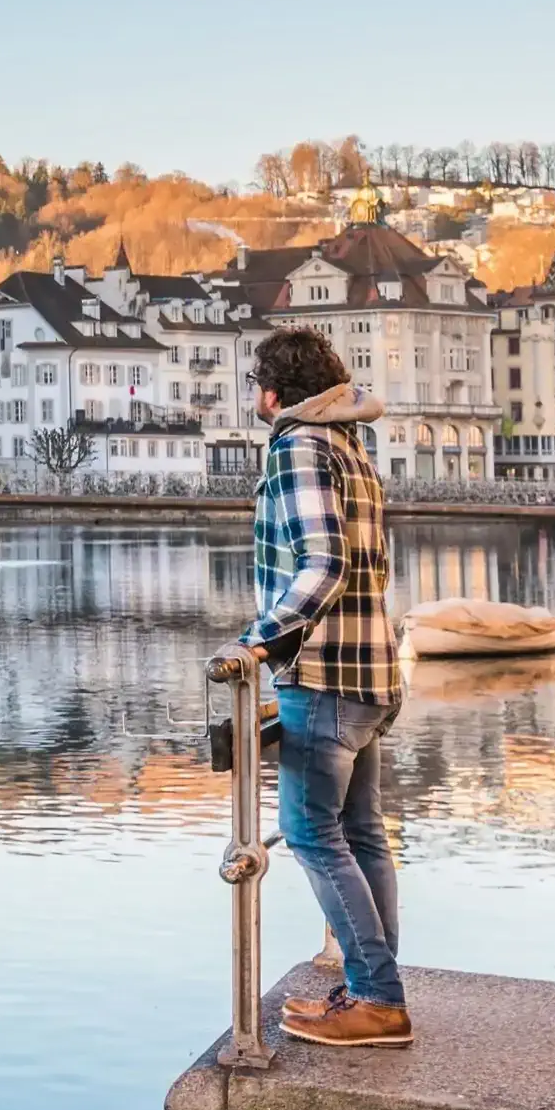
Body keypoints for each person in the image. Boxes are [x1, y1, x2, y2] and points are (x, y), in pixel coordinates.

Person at [223, 325, 409, 1048]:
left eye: (255, 387)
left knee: (310, 834)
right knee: (361, 835)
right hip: (372, 669)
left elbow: (323, 566)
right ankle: (371, 987)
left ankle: (378, 997)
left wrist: (261, 637)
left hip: (324, 672)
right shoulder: (351, 447)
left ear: (271, 393)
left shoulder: (298, 445)